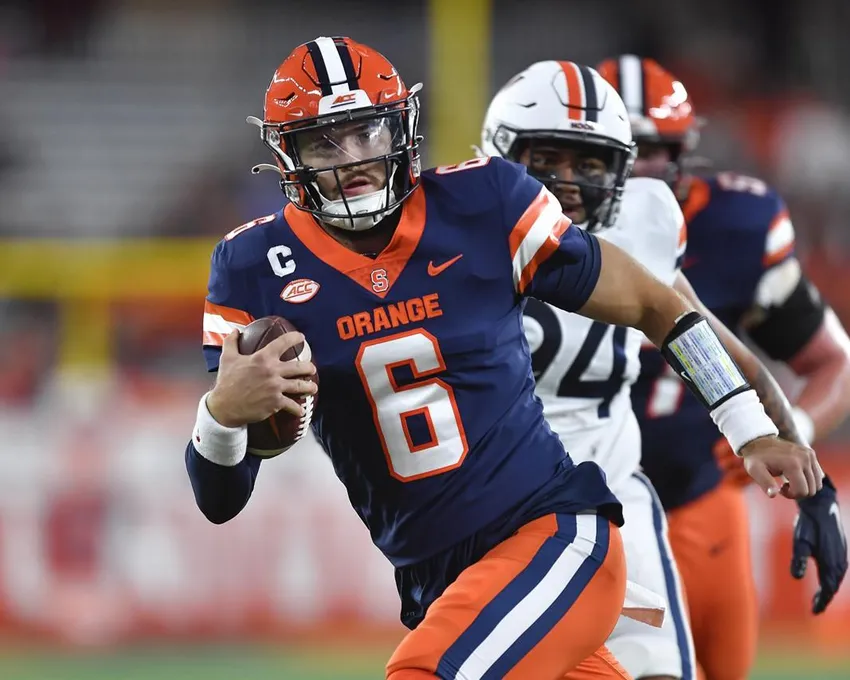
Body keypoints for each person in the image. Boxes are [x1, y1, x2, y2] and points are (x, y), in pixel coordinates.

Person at [185, 37, 822, 680]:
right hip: (443, 582)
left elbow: (659, 308)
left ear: (399, 128)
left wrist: (752, 431)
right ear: (287, 156)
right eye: (325, 142)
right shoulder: (250, 269)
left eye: (366, 131)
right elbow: (220, 500)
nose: (352, 159)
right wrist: (221, 417)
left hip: (554, 536)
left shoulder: (484, 203)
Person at [596, 55, 850, 680]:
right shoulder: (526, 229)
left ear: (685, 151)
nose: (634, 168)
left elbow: (831, 363)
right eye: (613, 148)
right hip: (576, 511)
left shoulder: (737, 223)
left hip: (697, 503)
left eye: (653, 148)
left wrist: (791, 441)